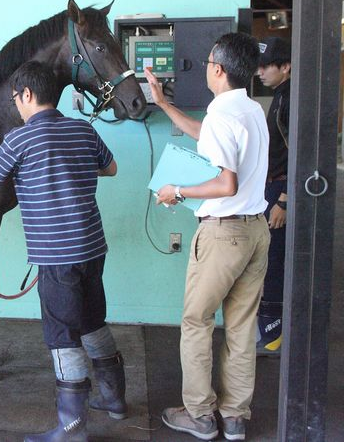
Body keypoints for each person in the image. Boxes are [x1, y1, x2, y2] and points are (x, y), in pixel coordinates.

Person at [0, 60, 127, 442]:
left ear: (28, 95)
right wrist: (71, 167)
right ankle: (114, 399)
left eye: (16, 97)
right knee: (93, 321)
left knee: (63, 335)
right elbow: (111, 168)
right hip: (92, 249)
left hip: (56, 257)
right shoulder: (82, 130)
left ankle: (72, 427)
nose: (16, 105)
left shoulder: (19, 140)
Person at [144, 32, 270, 441]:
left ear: (217, 68)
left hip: (223, 235)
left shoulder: (222, 114)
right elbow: (206, 136)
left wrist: (177, 191)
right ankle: (235, 417)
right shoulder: (250, 110)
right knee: (239, 325)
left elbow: (225, 182)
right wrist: (163, 104)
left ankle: (199, 415)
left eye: (208, 62)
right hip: (255, 231)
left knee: (196, 322)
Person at [255, 37, 291, 356]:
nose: (260, 71)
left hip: (280, 190)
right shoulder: (280, 96)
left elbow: (301, 155)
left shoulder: (292, 100)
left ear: (286, 67)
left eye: (267, 66)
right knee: (269, 258)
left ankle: (274, 335)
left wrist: (283, 200)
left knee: (275, 259)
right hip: (271, 187)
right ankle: (269, 333)